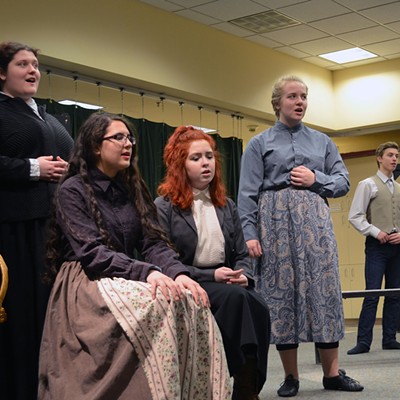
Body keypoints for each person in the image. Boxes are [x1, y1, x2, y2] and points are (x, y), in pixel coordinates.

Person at [38, 112, 231, 399]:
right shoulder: (72, 190)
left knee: (187, 297)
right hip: (86, 282)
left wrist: (179, 274)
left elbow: (153, 242)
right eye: (118, 138)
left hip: (123, 276)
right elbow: (92, 254)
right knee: (156, 302)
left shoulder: (132, 189)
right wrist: (149, 273)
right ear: (95, 146)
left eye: (130, 137)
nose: (128, 143)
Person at [237, 75, 364, 397]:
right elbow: (247, 194)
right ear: (277, 102)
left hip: (315, 225)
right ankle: (291, 376)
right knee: (282, 296)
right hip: (275, 225)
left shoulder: (322, 141)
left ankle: (332, 374)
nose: (300, 102)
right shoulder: (259, 143)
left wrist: (314, 177)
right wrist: (249, 234)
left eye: (304, 96)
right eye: (292, 96)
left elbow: (342, 182)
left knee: (323, 292)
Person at [155, 125, 270, 400]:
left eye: (209, 156)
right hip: (187, 282)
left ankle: (248, 386)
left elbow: (242, 253)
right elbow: (162, 256)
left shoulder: (226, 205)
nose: (206, 163)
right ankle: (242, 388)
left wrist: (244, 275)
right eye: (196, 158)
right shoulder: (164, 206)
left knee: (258, 304)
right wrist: (211, 276)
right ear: (179, 164)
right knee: (237, 300)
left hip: (227, 280)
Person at [0, 41, 73, 400]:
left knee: (52, 313)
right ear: (2, 72)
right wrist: (34, 168)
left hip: (51, 229)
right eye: (22, 64)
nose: (33, 71)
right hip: (15, 230)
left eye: (36, 65)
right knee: (22, 316)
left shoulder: (44, 115)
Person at [347, 141, 400, 355]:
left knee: (395, 293)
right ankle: (363, 342)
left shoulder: (398, 188)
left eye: (396, 155)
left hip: (397, 248)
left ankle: (389, 338)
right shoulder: (367, 184)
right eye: (390, 155)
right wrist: (376, 232)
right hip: (377, 246)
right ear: (379, 158)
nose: (394, 159)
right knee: (372, 293)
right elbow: (355, 216)